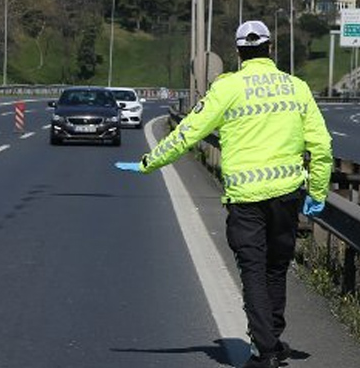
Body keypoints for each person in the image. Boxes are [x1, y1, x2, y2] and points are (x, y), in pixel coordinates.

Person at [117, 20, 332, 368]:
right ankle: (272, 339)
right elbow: (321, 145)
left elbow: (188, 132)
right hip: (287, 195)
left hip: (246, 199)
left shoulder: (227, 88)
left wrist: (148, 162)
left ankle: (265, 350)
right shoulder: (296, 87)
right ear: (270, 48)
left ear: (238, 52)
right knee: (276, 269)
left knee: (253, 270)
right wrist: (318, 190)